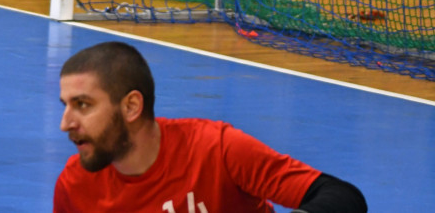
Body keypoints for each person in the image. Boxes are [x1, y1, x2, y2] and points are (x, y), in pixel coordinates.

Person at [55, 41, 368, 213]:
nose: (65, 123)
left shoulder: (216, 149)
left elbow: (343, 197)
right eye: (65, 105)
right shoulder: (75, 186)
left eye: (83, 105)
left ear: (131, 107)